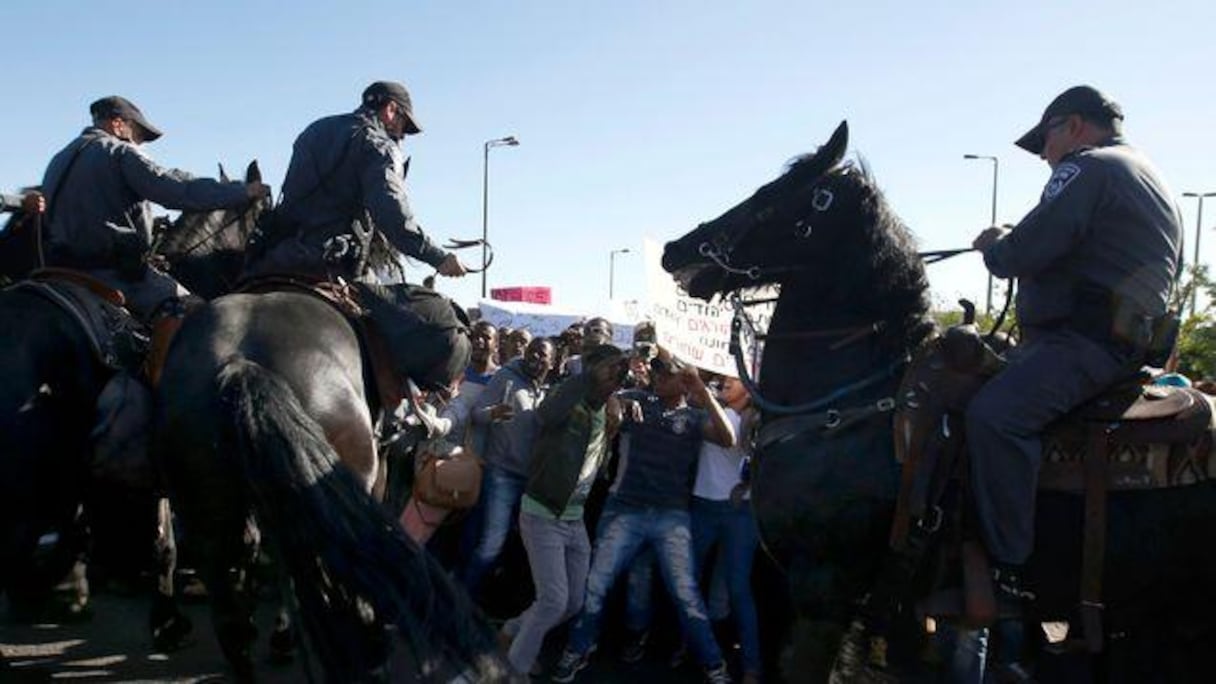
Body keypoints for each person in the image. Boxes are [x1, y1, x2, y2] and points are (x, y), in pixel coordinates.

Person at [968, 85, 1183, 605]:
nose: (1044, 155)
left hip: (1085, 342)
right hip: (1120, 340)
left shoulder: (1089, 167)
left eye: (1045, 140)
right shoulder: (1143, 171)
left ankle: (1007, 573)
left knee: (995, 416)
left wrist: (996, 244)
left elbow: (1030, 247)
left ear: (1074, 126)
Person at [551, 349, 735, 684]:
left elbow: (728, 438)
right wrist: (617, 402)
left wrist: (703, 392)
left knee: (685, 594)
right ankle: (577, 649)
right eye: (655, 368)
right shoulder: (636, 400)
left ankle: (713, 665)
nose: (657, 374)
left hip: (671, 517)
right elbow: (605, 400)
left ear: (685, 379)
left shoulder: (694, 417)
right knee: (596, 586)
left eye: (666, 370)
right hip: (625, 509)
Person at [41, 95, 265, 322]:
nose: (138, 144)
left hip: (58, 272)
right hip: (110, 273)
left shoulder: (58, 159)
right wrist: (243, 192)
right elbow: (175, 190)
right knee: (194, 313)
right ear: (118, 124)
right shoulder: (120, 152)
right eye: (138, 135)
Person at [244, 80, 466, 283]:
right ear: (390, 109)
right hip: (331, 263)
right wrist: (438, 258)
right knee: (429, 322)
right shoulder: (381, 146)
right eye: (403, 124)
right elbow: (392, 216)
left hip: (277, 257)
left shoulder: (314, 130)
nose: (402, 135)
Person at [498, 344, 629, 676]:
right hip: (543, 512)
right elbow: (545, 415)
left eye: (619, 371)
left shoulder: (609, 407)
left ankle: (512, 631)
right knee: (553, 601)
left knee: (572, 603)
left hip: (574, 519)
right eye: (609, 370)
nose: (615, 377)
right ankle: (514, 670)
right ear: (591, 371)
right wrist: (586, 378)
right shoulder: (568, 399)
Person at [460, 336, 556, 596]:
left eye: (542, 355)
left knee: (516, 547)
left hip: (531, 481)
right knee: (491, 544)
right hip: (501, 474)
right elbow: (477, 414)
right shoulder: (507, 377)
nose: (535, 358)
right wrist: (493, 413)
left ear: (553, 361)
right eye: (532, 353)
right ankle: (462, 600)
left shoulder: (551, 391)